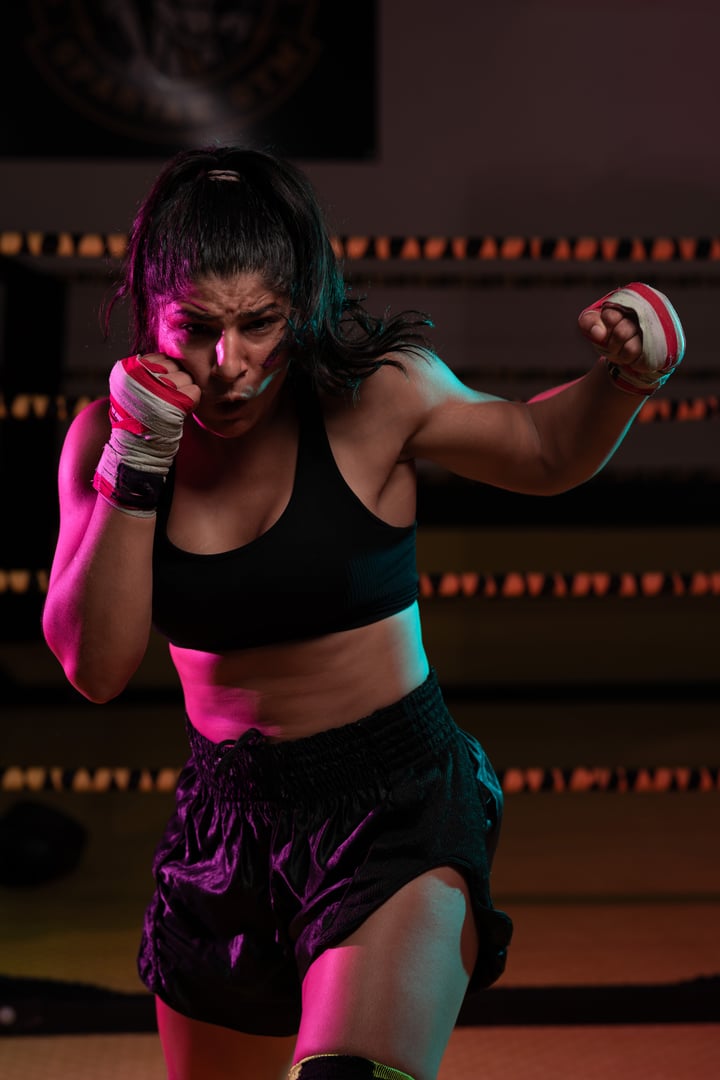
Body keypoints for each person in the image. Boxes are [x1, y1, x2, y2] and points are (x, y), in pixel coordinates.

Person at [42, 145, 685, 1080]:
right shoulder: (104, 438)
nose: (229, 365)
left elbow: (542, 450)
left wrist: (628, 376)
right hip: (227, 827)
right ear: (150, 306)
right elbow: (93, 668)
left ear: (299, 302)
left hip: (394, 810)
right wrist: (135, 467)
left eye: (260, 324)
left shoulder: (377, 396)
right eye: (195, 329)